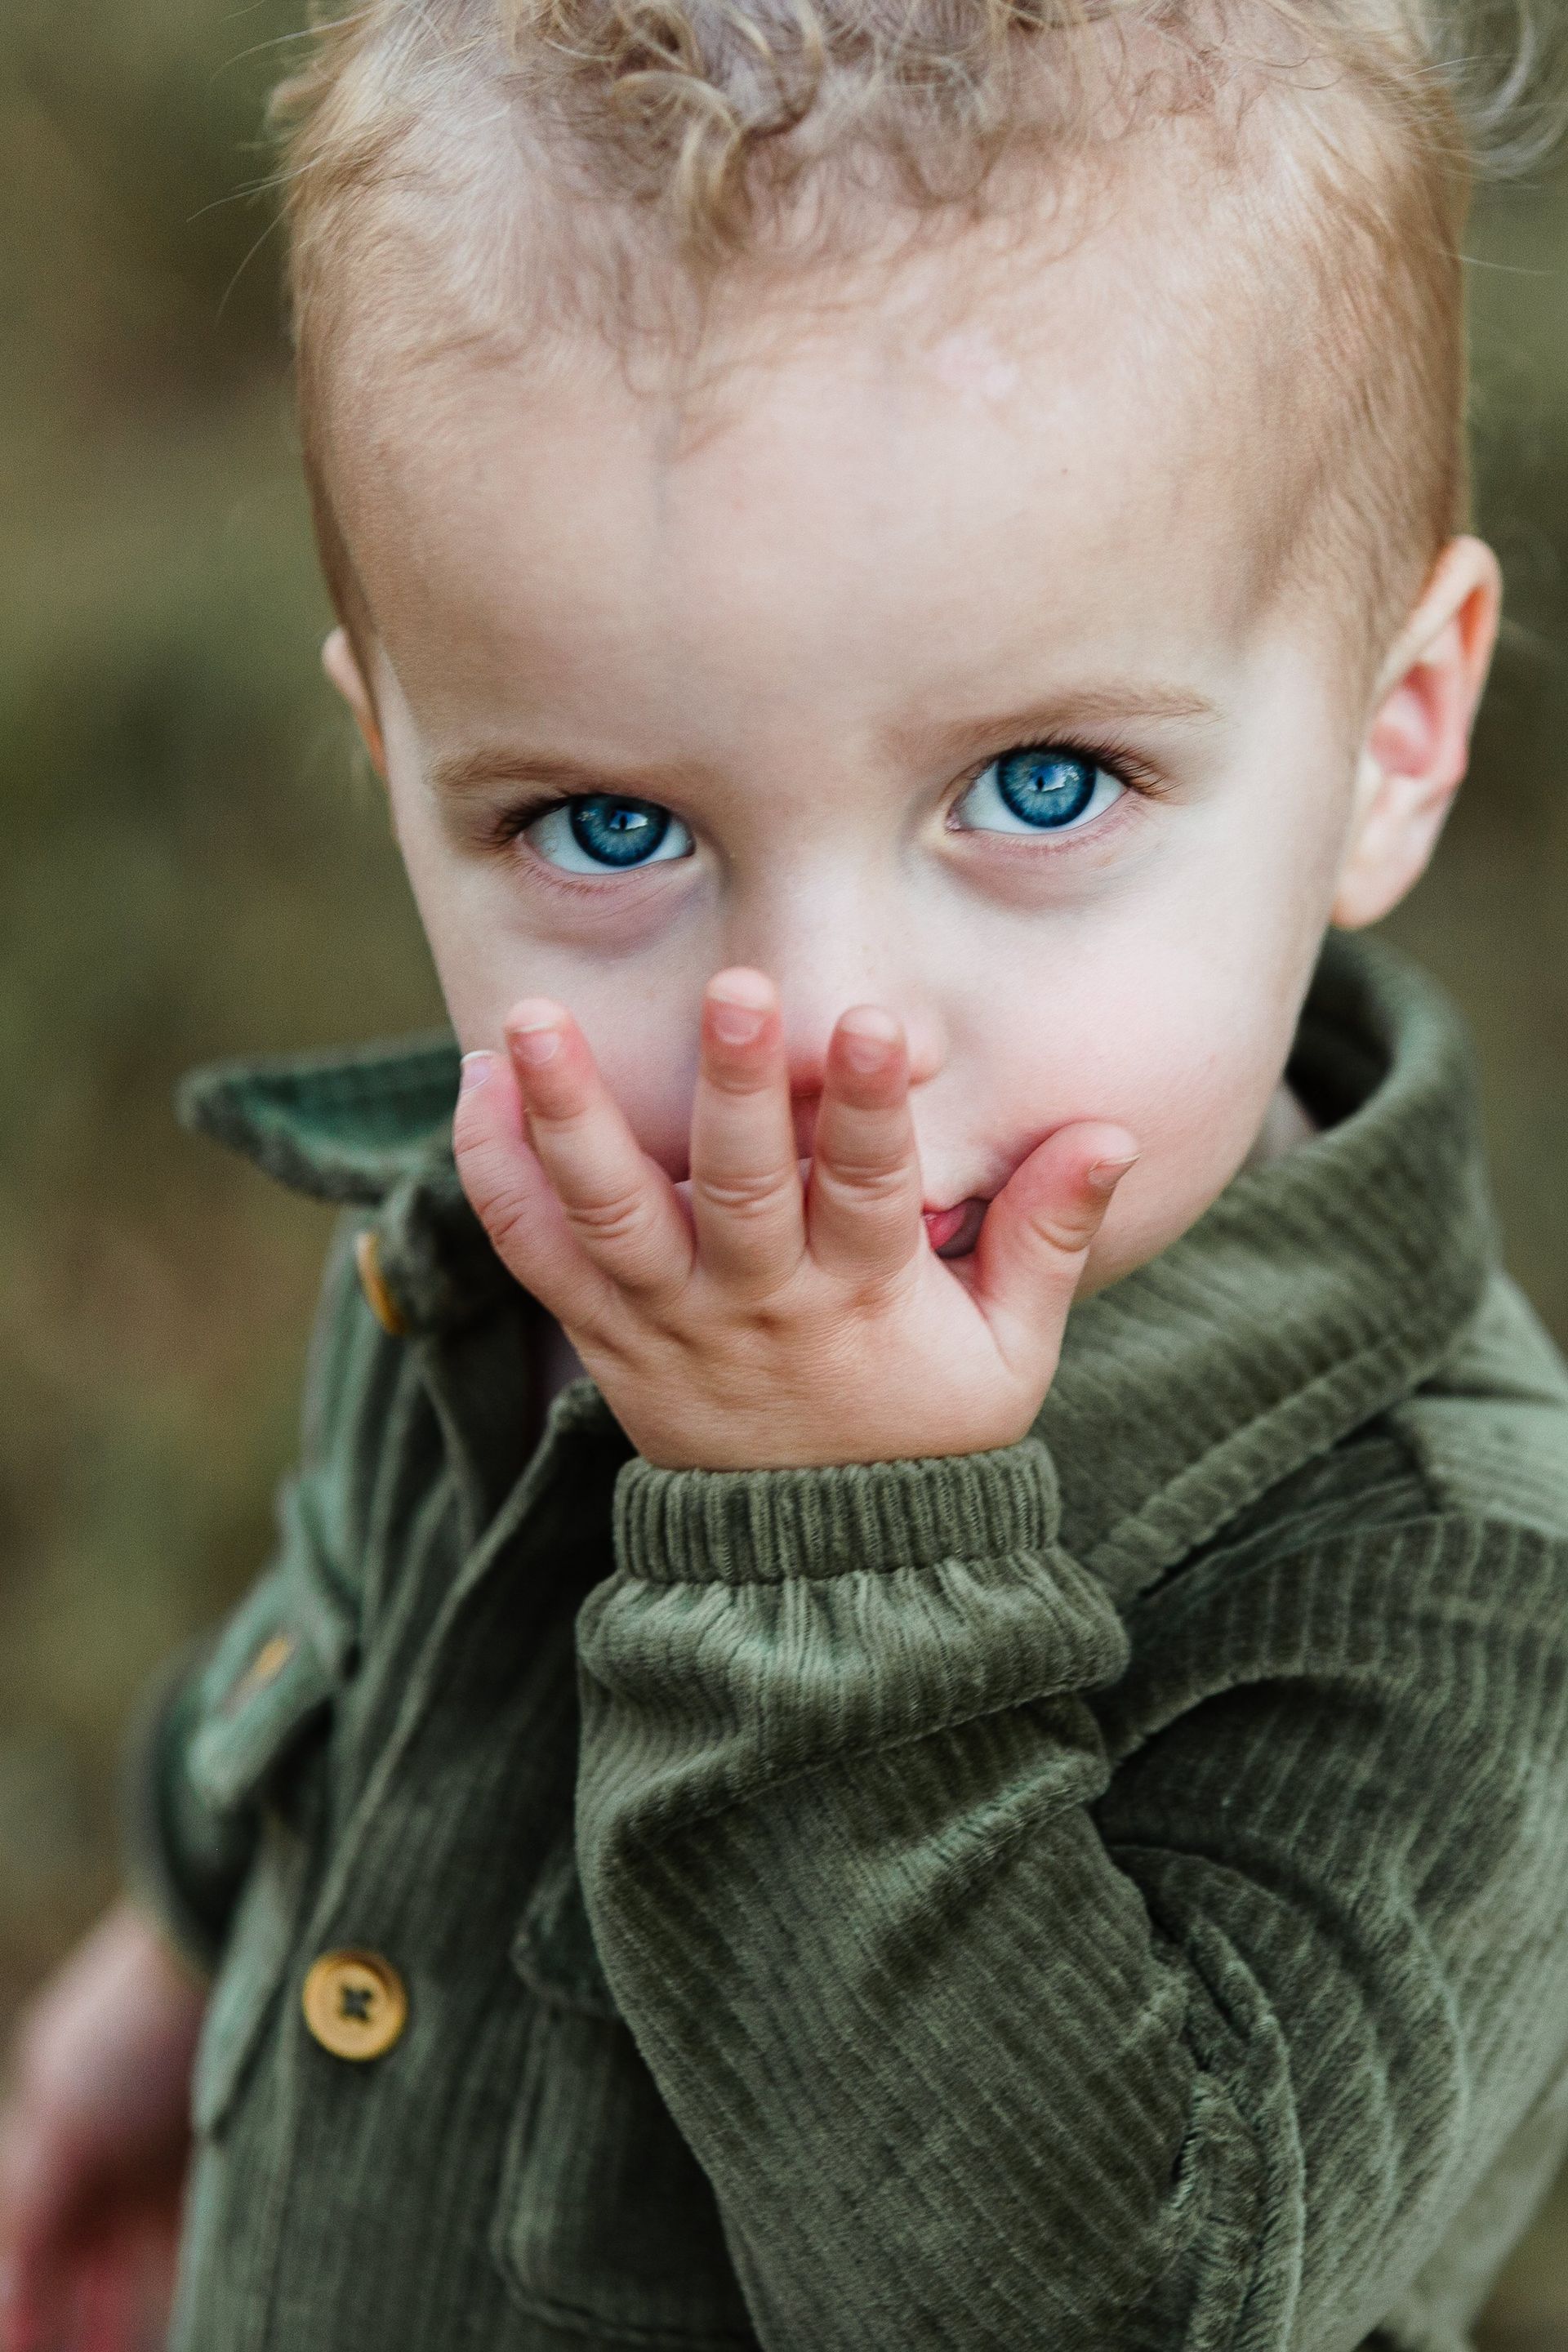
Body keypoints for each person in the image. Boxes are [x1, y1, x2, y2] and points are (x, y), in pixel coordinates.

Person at [4, 2, 1568, 2345]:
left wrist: (839, 1544)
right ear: (392, 755)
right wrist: (170, 1974)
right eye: (607, 826)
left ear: (1392, 737)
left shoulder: (1445, 1601)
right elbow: (365, 1634)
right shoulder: (552, 1203)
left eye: (1039, 788)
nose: (825, 1042)